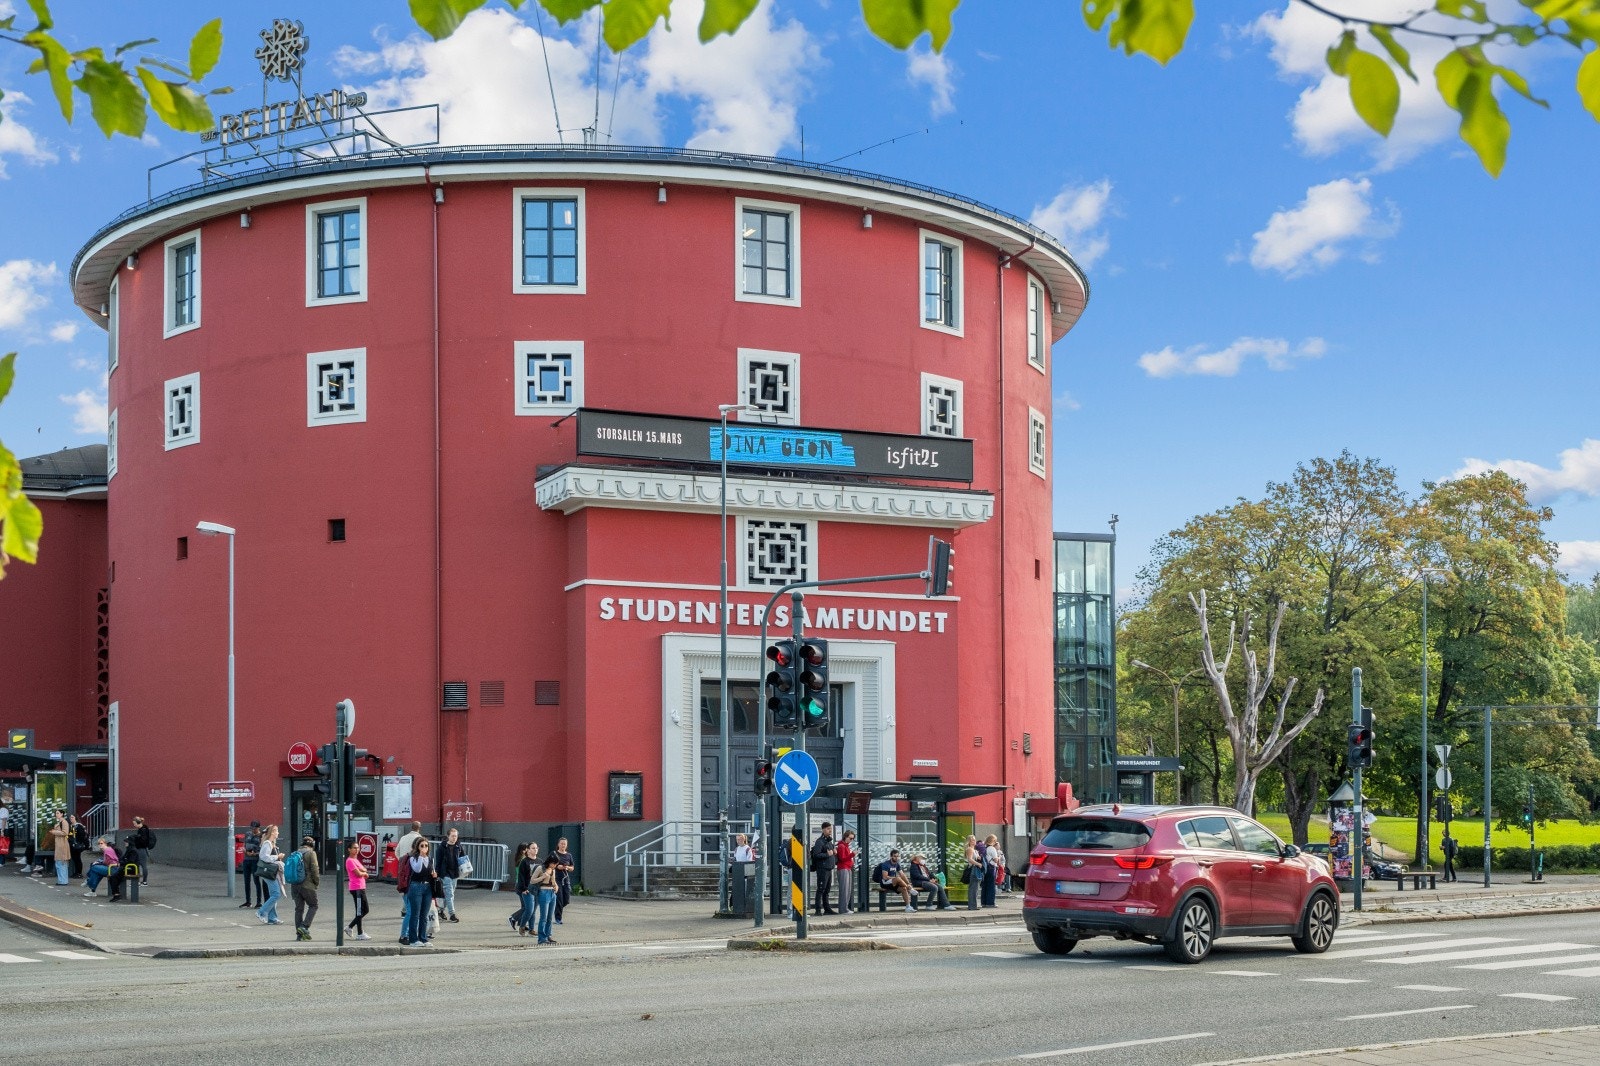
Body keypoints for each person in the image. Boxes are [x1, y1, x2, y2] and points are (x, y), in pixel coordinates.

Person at [401, 839, 437, 946]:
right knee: (415, 914)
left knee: (424, 915)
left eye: (426, 846)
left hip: (427, 887)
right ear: (418, 847)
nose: (424, 847)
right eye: (422, 846)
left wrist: (435, 875)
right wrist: (421, 856)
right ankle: (413, 939)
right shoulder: (414, 858)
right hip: (416, 886)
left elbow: (432, 871)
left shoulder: (431, 859)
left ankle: (423, 938)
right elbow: (417, 869)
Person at [290, 835, 320, 941]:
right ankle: (304, 926)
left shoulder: (295, 853)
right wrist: (316, 883)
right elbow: (315, 870)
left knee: (299, 909)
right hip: (307, 885)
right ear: (312, 844)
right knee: (313, 905)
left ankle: (299, 934)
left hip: (295, 885)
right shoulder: (311, 853)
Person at [256, 824, 285, 925]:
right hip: (268, 872)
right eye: (276, 831)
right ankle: (261, 912)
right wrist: (277, 857)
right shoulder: (267, 843)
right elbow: (264, 857)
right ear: (272, 832)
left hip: (271, 872)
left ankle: (272, 918)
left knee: (274, 894)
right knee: (276, 894)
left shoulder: (272, 843)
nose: (278, 833)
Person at [435, 827, 465, 924]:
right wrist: (437, 874)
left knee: (448, 894)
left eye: (456, 836)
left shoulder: (458, 846)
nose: (454, 838)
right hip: (445, 873)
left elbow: (463, 858)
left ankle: (440, 911)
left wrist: (466, 868)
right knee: (450, 894)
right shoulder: (441, 848)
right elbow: (438, 862)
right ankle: (452, 914)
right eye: (452, 836)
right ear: (448, 836)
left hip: (455, 873)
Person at [532, 852, 561, 944]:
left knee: (549, 917)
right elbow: (532, 880)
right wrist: (542, 877)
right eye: (554, 863)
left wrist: (556, 886)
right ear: (550, 862)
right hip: (543, 892)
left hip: (552, 892)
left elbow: (553, 881)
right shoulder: (541, 868)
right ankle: (541, 938)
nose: (555, 866)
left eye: (556, 864)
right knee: (543, 917)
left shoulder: (553, 870)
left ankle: (548, 935)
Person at [344, 842, 371, 940]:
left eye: (357, 848)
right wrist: (364, 873)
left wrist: (363, 872)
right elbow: (358, 873)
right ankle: (355, 930)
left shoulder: (356, 860)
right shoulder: (350, 861)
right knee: (361, 911)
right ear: (349, 849)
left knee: (364, 910)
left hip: (361, 887)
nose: (357, 850)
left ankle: (355, 930)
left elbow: (364, 869)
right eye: (354, 848)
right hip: (356, 888)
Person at [810, 822, 837, 916]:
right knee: (821, 889)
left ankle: (827, 909)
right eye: (828, 828)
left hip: (829, 869)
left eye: (831, 829)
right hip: (822, 869)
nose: (830, 830)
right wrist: (827, 854)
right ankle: (818, 910)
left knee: (827, 890)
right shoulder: (819, 841)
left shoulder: (829, 842)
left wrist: (834, 853)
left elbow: (832, 854)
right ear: (823, 829)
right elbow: (816, 855)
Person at [512, 842, 538, 937]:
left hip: (536, 890)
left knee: (533, 910)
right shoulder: (524, 861)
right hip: (526, 889)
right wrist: (523, 888)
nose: (535, 850)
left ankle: (531, 929)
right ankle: (521, 925)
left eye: (536, 848)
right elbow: (521, 876)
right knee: (528, 909)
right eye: (533, 848)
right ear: (527, 850)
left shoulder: (539, 861)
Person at [240, 821, 263, 909]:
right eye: (252, 828)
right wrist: (245, 850)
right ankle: (248, 901)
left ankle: (259, 902)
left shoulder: (261, 836)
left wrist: (255, 854)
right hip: (246, 859)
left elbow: (262, 849)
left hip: (255, 860)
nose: (253, 830)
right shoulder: (248, 834)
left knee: (256, 881)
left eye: (255, 828)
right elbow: (245, 844)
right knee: (246, 881)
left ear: (258, 828)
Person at [553, 837, 575, 924]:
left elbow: (572, 867)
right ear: (558, 844)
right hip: (556, 879)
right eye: (561, 843)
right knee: (559, 899)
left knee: (566, 900)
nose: (563, 845)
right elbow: (548, 865)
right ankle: (558, 918)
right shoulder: (554, 854)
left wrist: (567, 867)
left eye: (565, 844)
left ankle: (555, 908)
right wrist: (557, 866)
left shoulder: (569, 855)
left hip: (565, 880)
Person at [835, 829, 857, 914]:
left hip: (847, 868)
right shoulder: (841, 846)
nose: (851, 840)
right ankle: (843, 909)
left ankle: (845, 908)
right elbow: (842, 858)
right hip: (843, 868)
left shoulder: (845, 846)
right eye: (850, 838)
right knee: (844, 889)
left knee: (847, 889)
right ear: (845, 836)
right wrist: (852, 854)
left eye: (852, 839)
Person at [131, 815, 156, 886]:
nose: (134, 825)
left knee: (142, 865)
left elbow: (143, 841)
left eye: (134, 823)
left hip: (141, 849)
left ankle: (144, 881)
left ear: (138, 823)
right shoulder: (143, 829)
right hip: (142, 849)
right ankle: (140, 881)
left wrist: (136, 838)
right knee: (139, 864)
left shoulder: (143, 830)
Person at [48, 815, 71, 885]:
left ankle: (63, 881)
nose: (56, 815)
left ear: (62, 814)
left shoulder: (64, 822)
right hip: (59, 844)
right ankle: (62, 880)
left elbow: (65, 832)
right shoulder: (59, 822)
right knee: (59, 863)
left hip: (62, 844)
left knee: (61, 862)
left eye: (58, 813)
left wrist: (54, 832)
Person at [979, 834, 1000, 907]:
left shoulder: (985, 848)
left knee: (984, 885)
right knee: (991, 886)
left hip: (985, 868)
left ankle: (983, 902)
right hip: (991, 868)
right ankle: (990, 903)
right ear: (993, 841)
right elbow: (995, 859)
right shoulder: (992, 848)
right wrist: (998, 858)